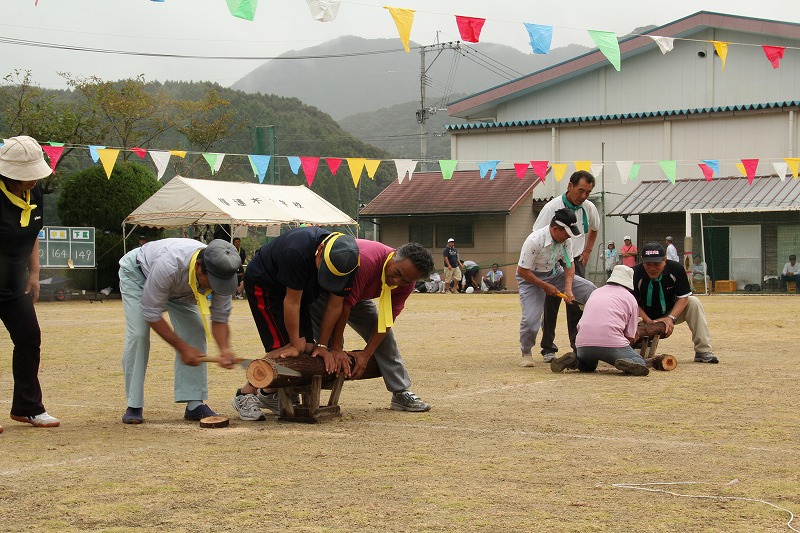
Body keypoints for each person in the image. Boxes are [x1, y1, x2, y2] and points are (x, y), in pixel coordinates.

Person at [231, 227, 359, 421]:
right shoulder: (297, 250)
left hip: (299, 292)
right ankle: (245, 394)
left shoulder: (350, 261)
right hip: (266, 284)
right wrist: (292, 343)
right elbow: (292, 302)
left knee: (308, 347)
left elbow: (335, 305)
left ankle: (270, 394)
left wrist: (323, 345)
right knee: (286, 348)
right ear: (320, 249)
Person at [118, 238, 241, 424]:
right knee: (139, 335)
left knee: (196, 331)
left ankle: (194, 403)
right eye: (212, 282)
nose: (216, 288)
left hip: (181, 289)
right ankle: (134, 404)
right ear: (199, 267)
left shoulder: (221, 272)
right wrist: (183, 348)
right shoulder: (170, 264)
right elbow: (152, 313)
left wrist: (224, 349)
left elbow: (220, 318)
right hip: (139, 275)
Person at [310, 241, 435, 412]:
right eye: (396, 273)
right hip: (325, 292)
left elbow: (386, 321)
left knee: (386, 340)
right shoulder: (367, 260)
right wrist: (337, 348)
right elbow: (343, 306)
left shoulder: (406, 283)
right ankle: (286, 391)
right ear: (395, 254)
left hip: (358, 297)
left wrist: (366, 355)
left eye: (404, 281)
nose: (396, 282)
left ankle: (400, 392)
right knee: (329, 348)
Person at [0, 135, 60, 431]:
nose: (33, 180)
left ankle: (27, 407)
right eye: (27, 177)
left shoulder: (34, 195)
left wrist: (34, 273)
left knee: (28, 338)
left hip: (14, 284)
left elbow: (33, 233)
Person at [532, 170, 600, 362]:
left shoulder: (589, 208)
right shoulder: (552, 207)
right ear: (569, 186)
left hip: (575, 259)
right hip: (552, 262)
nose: (584, 196)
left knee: (576, 305)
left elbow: (594, 228)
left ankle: (578, 346)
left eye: (588, 192)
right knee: (550, 304)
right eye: (580, 191)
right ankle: (548, 348)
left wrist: (587, 251)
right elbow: (537, 233)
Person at [517, 208, 597, 368]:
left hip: (555, 273)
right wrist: (546, 286)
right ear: (555, 229)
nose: (568, 237)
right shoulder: (534, 241)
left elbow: (569, 265)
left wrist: (568, 290)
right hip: (530, 278)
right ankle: (526, 351)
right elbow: (522, 271)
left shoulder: (565, 241)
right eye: (566, 233)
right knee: (530, 319)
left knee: (592, 291)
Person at [550, 265, 648, 376]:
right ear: (629, 283)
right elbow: (631, 336)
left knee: (588, 366)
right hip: (612, 345)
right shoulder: (630, 298)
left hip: (583, 345)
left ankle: (575, 361)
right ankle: (626, 361)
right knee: (639, 361)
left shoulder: (595, 292)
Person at [632, 243, 718, 364]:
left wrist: (670, 318)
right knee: (639, 358)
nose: (652, 268)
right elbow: (632, 303)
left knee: (694, 302)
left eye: (656, 264)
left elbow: (683, 297)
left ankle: (703, 351)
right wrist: (648, 321)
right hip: (642, 316)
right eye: (648, 264)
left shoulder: (676, 269)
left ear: (665, 260)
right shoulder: (634, 272)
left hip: (670, 312)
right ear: (642, 261)